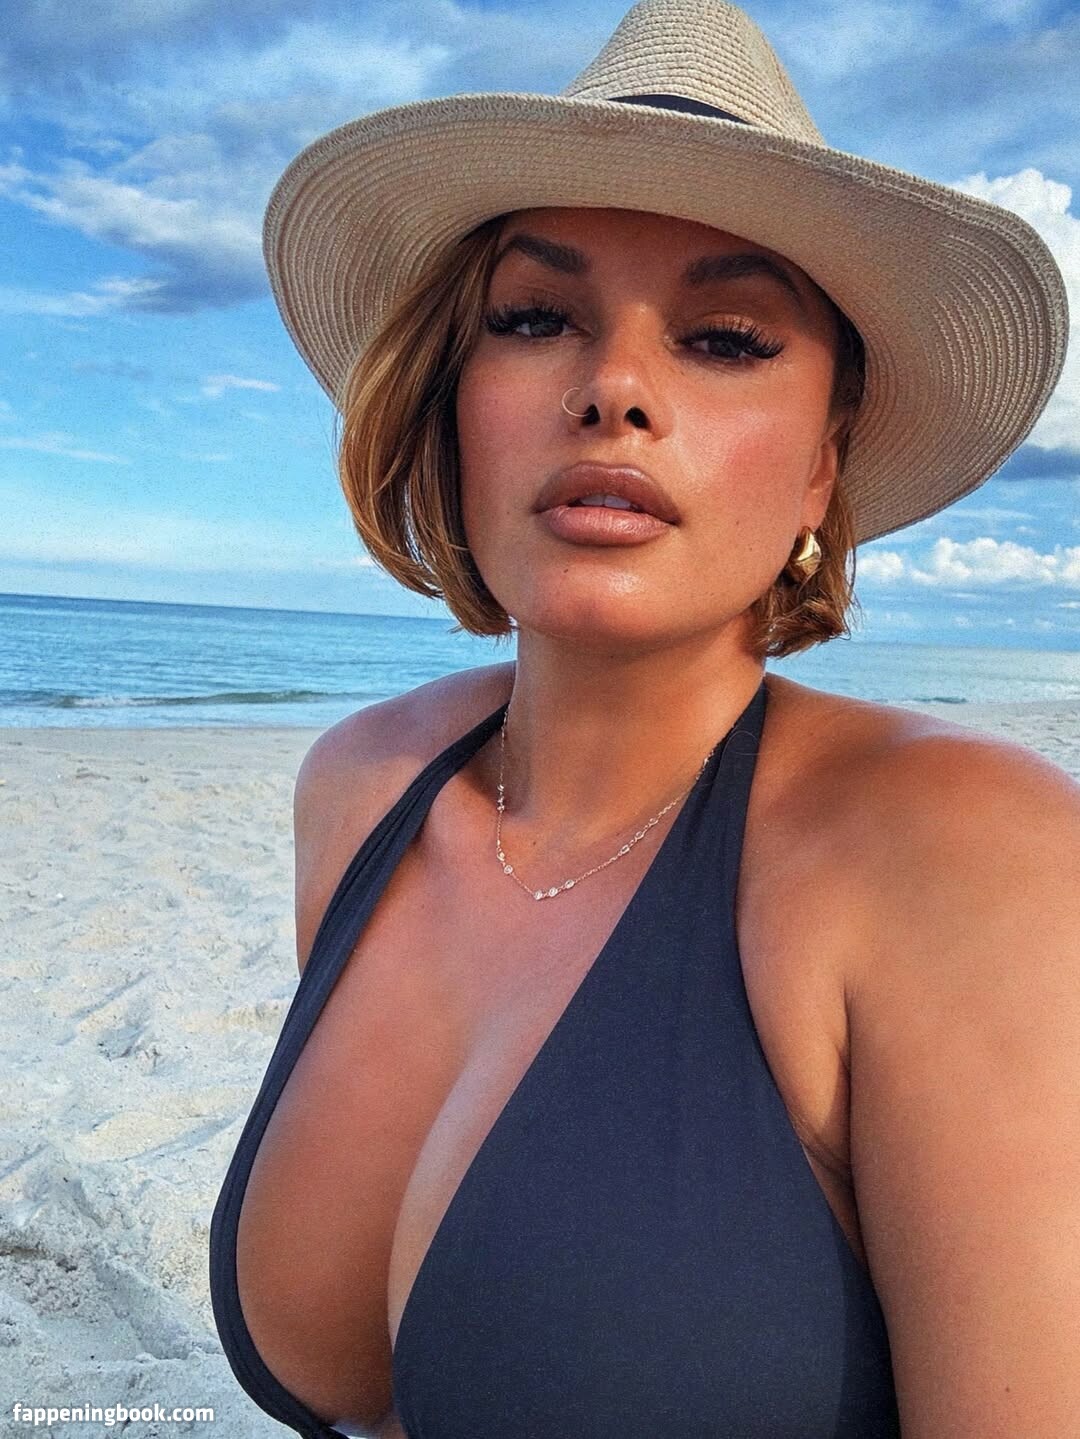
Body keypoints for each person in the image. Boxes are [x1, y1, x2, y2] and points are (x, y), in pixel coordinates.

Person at [209, 2, 1078, 1436]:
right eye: (534, 320)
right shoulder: (363, 787)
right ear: (452, 401)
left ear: (823, 467)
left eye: (726, 338)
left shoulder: (970, 853)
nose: (613, 389)